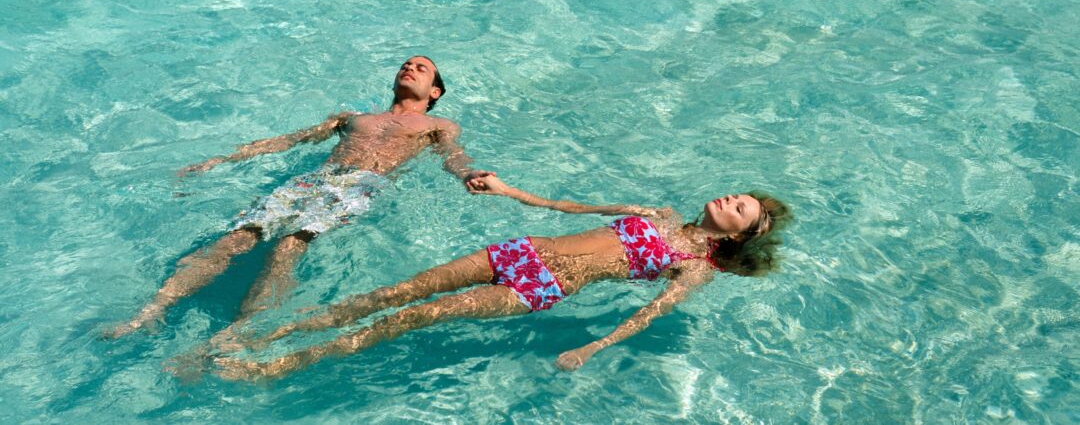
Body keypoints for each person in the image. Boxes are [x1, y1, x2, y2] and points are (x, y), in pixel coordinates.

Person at [213, 176, 790, 379]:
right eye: (737, 194)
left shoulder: (692, 267)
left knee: (412, 317)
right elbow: (569, 209)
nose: (730, 199)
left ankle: (279, 365)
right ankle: (260, 336)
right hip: (521, 250)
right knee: (394, 293)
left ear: (736, 237)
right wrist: (509, 190)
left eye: (740, 209)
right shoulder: (657, 213)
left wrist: (594, 347)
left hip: (540, 287)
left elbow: (650, 314)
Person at [106, 56, 494, 340]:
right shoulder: (352, 117)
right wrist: (220, 160)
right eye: (405, 65)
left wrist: (468, 174)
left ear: (435, 92)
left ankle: (237, 334)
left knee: (287, 248)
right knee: (234, 239)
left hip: (362, 183)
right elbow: (291, 140)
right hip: (315, 179)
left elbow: (452, 156)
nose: (409, 68)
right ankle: (149, 313)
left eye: (421, 68)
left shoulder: (438, 124)